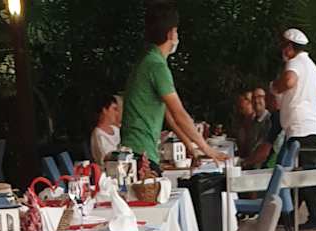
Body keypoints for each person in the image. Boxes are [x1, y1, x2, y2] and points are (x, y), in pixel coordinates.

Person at [121, 2, 224, 170]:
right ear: (170, 33)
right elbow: (179, 114)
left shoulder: (148, 60)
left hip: (136, 151)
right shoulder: (156, 66)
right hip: (142, 154)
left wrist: (191, 147)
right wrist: (207, 149)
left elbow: (169, 114)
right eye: (176, 31)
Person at [271, 26, 316, 229]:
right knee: (303, 172)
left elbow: (289, 81)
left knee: (303, 174)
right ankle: (292, 215)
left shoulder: (294, 63)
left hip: (299, 127)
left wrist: (275, 88)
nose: (282, 51)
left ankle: (315, 218)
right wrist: (311, 114)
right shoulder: (313, 67)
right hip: (311, 125)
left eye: (283, 46)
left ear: (289, 47)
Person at [90, 92, 121, 166]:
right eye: (114, 109)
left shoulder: (116, 130)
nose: (117, 113)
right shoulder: (98, 134)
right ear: (105, 110)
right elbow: (104, 159)